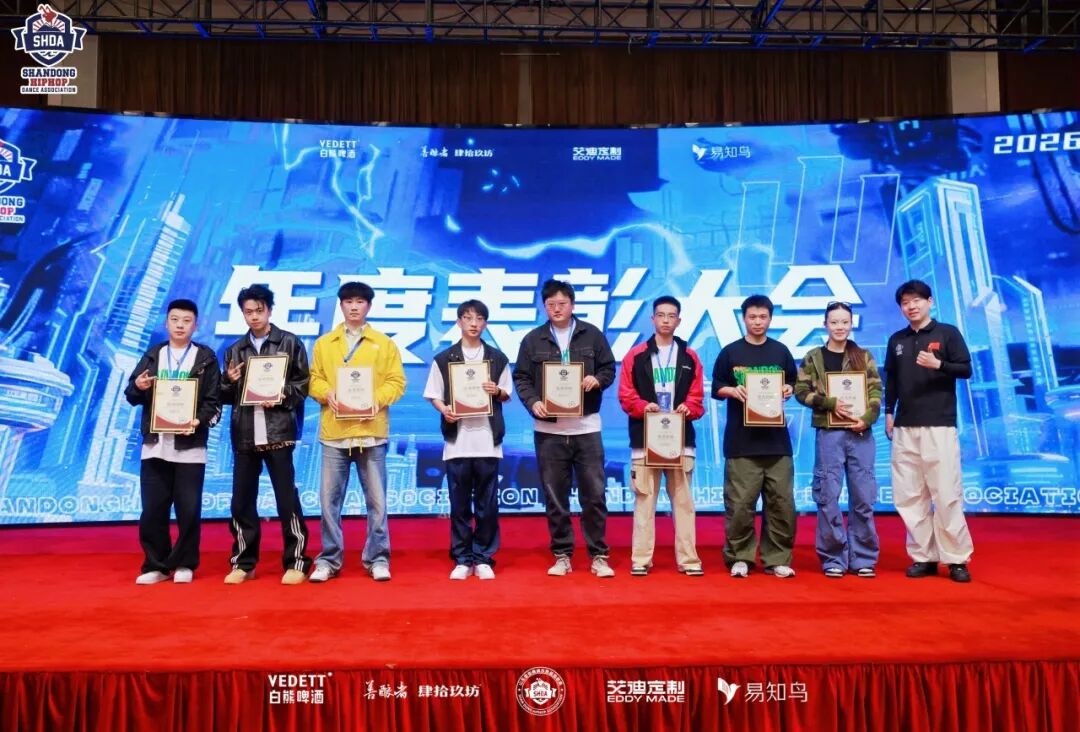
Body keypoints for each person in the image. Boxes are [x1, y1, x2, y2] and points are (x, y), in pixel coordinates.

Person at [513, 279, 617, 578]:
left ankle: (599, 556)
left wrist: (597, 380)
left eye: (562, 304)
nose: (556, 309)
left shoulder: (591, 335)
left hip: (587, 427)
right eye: (551, 305)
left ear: (572, 304)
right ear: (544, 307)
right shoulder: (533, 339)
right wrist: (533, 402)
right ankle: (562, 555)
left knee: (594, 496)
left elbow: (608, 368)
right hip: (549, 431)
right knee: (555, 497)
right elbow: (521, 377)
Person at [308, 281, 406, 583]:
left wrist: (376, 399)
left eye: (360, 301)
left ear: (368, 306)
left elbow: (397, 382)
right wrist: (326, 393)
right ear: (340, 305)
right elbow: (314, 379)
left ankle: (378, 558)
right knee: (329, 502)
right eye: (348, 301)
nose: (354, 306)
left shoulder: (384, 344)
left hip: (371, 432)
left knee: (377, 502)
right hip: (335, 433)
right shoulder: (325, 343)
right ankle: (329, 559)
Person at [220, 284, 313, 585]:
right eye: (248, 312)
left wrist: (282, 394)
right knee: (241, 501)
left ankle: (296, 561)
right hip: (245, 433)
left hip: (278, 430)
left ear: (269, 310)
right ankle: (244, 563)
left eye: (259, 310)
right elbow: (224, 395)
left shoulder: (289, 342)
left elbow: (303, 384)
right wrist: (228, 381)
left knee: (286, 500)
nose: (254, 316)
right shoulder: (235, 350)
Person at [124, 299, 221, 584]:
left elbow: (213, 401)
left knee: (188, 510)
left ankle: (184, 563)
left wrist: (198, 421)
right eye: (175, 320)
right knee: (153, 509)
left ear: (196, 325)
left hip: (190, 447)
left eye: (186, 321)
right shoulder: (154, 354)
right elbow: (131, 394)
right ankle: (155, 565)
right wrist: (138, 386)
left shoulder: (205, 358)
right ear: (166, 323)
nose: (180, 325)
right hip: (155, 444)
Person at [884, 279, 974, 583]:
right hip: (905, 424)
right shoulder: (897, 339)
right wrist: (888, 411)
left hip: (940, 423)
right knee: (909, 495)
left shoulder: (947, 333)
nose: (911, 306)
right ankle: (923, 556)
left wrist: (939, 365)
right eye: (905, 303)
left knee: (946, 492)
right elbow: (892, 380)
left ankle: (956, 558)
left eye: (916, 300)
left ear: (929, 302)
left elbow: (966, 369)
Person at [423, 300, 513, 580]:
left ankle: (483, 557)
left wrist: (496, 391)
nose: (474, 323)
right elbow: (434, 394)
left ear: (485, 323)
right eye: (467, 318)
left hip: (487, 440)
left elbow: (506, 393)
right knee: (459, 504)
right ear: (459, 321)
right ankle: (462, 559)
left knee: (487, 504)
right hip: (457, 441)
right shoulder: (444, 359)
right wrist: (445, 410)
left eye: (479, 318)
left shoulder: (497, 358)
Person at [618, 296, 706, 577]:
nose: (666, 320)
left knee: (683, 503)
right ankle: (641, 560)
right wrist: (643, 406)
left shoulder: (690, 356)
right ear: (652, 319)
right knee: (645, 501)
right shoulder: (635, 355)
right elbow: (626, 394)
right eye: (661, 315)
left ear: (679, 320)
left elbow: (698, 397)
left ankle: (689, 560)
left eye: (671, 316)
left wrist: (689, 407)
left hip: (680, 440)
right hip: (645, 439)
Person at [711, 294, 798, 579]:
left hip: (777, 443)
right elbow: (717, 387)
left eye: (763, 317)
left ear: (770, 319)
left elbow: (793, 382)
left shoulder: (781, 352)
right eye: (752, 317)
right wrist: (732, 390)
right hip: (741, 443)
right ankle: (740, 557)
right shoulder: (731, 352)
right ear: (744, 319)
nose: (758, 322)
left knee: (781, 505)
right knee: (739, 506)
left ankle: (777, 558)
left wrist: (789, 389)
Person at [794, 302, 882, 578]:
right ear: (825, 324)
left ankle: (863, 557)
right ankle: (833, 557)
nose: (840, 327)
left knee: (863, 497)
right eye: (834, 322)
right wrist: (829, 402)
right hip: (829, 434)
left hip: (860, 433)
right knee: (827, 496)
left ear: (851, 323)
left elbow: (875, 391)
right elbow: (800, 391)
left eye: (844, 322)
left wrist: (867, 418)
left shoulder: (863, 356)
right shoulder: (813, 358)